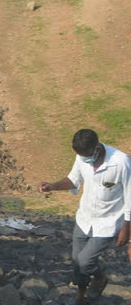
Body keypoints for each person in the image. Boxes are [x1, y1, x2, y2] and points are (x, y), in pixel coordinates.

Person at [38, 129, 131, 304]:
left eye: (87, 155)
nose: (84, 159)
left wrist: (127, 229)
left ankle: (100, 276)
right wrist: (53, 186)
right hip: (84, 218)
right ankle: (80, 296)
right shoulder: (82, 157)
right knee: (76, 262)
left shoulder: (121, 163)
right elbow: (73, 180)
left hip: (107, 223)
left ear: (97, 147)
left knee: (85, 261)